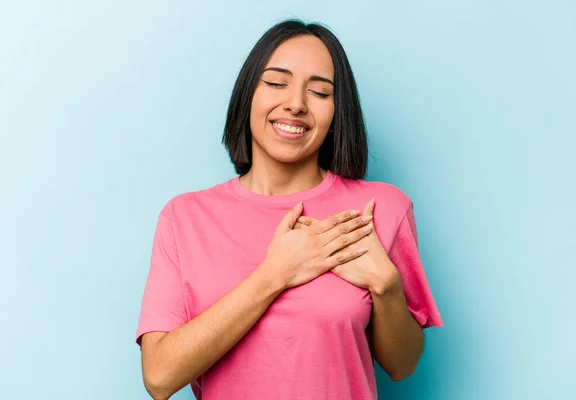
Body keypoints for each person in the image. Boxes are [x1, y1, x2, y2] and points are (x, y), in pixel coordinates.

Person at [135, 19, 443, 400]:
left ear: (336, 114)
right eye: (277, 83)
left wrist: (388, 287)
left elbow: (403, 365)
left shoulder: (381, 209)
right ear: (248, 94)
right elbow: (160, 378)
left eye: (319, 91)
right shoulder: (184, 218)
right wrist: (275, 275)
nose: (295, 104)